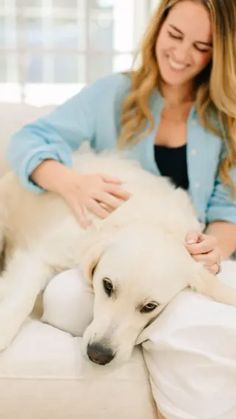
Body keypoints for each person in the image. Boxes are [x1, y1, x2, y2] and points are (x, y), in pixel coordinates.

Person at [7, 0, 236, 417]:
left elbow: (228, 208)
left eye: (201, 46)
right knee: (67, 296)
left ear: (219, 53)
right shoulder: (114, 93)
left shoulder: (224, 118)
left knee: (197, 315)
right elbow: (29, 140)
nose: (183, 54)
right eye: (175, 35)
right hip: (112, 246)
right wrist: (72, 182)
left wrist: (212, 247)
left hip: (176, 259)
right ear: (157, 30)